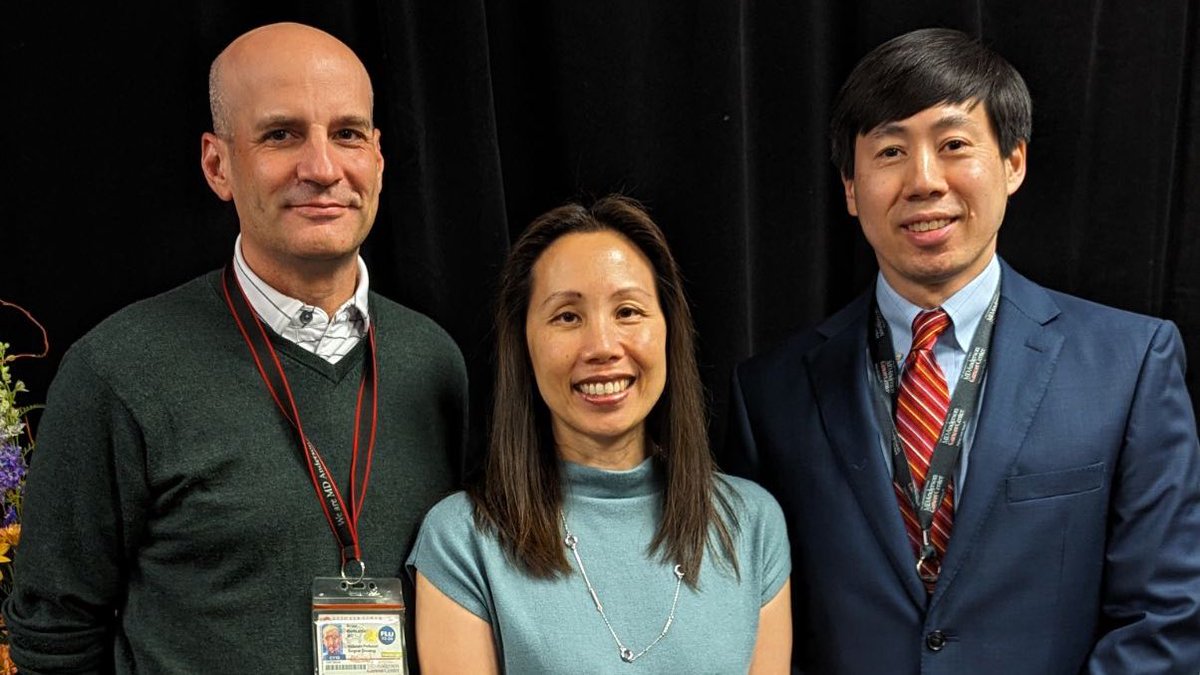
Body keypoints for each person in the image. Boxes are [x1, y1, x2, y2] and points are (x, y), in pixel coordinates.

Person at [722, 27, 1200, 674]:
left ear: (1013, 163)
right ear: (851, 188)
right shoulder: (770, 393)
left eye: (953, 145)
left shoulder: (1131, 363)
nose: (924, 181)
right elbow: (762, 622)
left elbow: (1165, 617)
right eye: (890, 151)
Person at [2, 22, 467, 673]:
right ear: (217, 164)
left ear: (380, 159)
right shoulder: (117, 372)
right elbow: (54, 635)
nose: (323, 167)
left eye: (347, 133)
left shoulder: (436, 364)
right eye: (281, 135)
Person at [407, 195, 792, 673]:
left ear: (669, 331)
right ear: (523, 344)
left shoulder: (750, 526)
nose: (603, 347)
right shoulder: (462, 540)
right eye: (567, 316)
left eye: (628, 312)